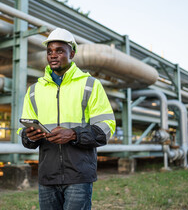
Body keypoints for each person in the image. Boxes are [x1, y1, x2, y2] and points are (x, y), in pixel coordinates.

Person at [18, 28, 116, 210]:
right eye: (50, 51)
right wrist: (29, 136)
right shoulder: (34, 90)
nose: (53, 55)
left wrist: (73, 134)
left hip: (79, 175)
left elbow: (105, 129)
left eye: (59, 50)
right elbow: (25, 137)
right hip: (47, 176)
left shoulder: (90, 85)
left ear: (72, 53)